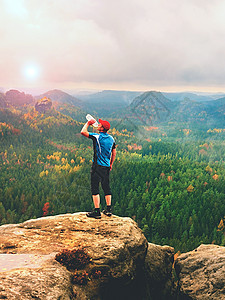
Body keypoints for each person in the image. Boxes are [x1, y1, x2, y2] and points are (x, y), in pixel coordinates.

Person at [81, 118, 116, 219]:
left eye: (100, 124)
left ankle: (97, 211)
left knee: (95, 187)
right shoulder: (111, 139)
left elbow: (83, 132)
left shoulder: (97, 137)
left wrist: (88, 123)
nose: (98, 124)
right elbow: (114, 153)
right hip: (106, 166)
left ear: (101, 128)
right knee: (106, 186)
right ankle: (108, 210)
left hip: (97, 166)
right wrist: (111, 164)